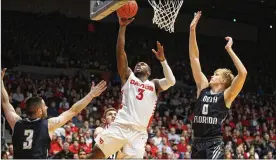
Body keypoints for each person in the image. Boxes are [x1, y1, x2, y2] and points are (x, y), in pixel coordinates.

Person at [90, 16, 176, 158]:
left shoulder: (154, 84)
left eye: (143, 64)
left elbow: (171, 81)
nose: (139, 64)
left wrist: (163, 61)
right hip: (121, 126)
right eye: (137, 64)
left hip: (139, 133)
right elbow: (120, 51)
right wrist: (122, 27)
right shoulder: (128, 76)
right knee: (94, 155)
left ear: (148, 72)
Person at [1, 68, 107, 159]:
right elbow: (73, 110)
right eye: (44, 106)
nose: (47, 107)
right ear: (39, 111)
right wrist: (91, 95)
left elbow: (5, 102)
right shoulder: (48, 124)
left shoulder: (16, 123)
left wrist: (1, 82)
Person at [189, 11, 247, 159]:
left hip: (213, 143)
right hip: (196, 142)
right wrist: (192, 30)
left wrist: (229, 50)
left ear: (223, 81)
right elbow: (194, 57)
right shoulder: (203, 87)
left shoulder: (226, 96)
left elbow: (243, 73)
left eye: (216, 75)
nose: (211, 76)